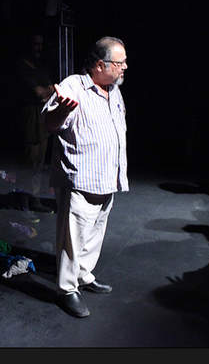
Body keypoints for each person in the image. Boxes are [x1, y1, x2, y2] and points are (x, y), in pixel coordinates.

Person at [42, 36, 129, 318]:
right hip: (80, 179)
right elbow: (49, 123)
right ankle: (67, 289)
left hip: (107, 177)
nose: (125, 67)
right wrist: (62, 110)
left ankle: (83, 274)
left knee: (94, 234)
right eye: (120, 63)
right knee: (72, 238)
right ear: (100, 65)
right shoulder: (73, 86)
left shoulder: (114, 90)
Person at [14, 32, 54, 213]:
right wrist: (46, 92)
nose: (39, 48)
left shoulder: (40, 67)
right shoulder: (22, 67)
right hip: (29, 117)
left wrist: (46, 92)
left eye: (40, 44)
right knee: (29, 160)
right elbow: (40, 93)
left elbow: (51, 90)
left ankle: (34, 199)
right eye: (35, 44)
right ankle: (23, 200)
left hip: (42, 116)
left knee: (39, 161)